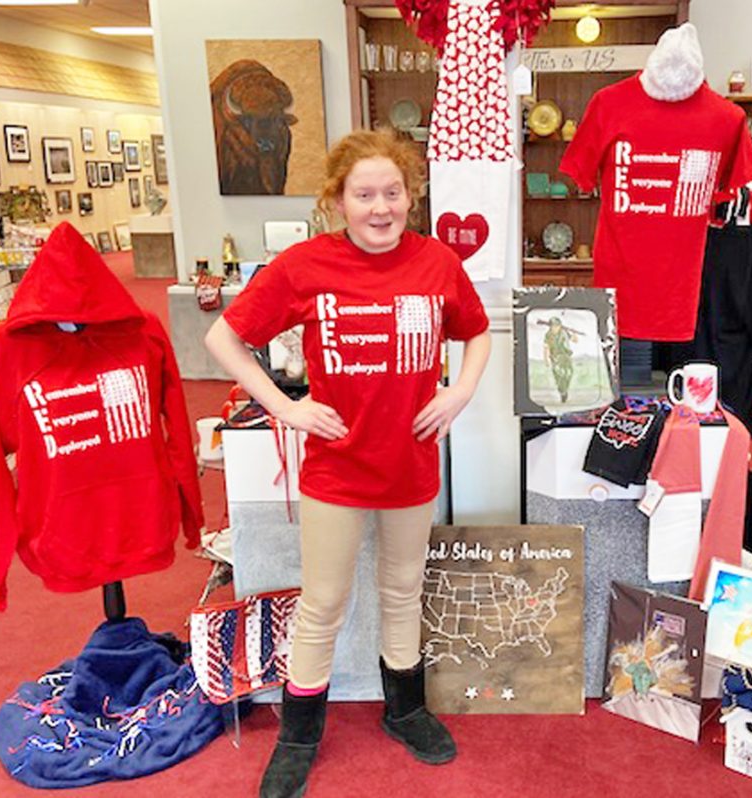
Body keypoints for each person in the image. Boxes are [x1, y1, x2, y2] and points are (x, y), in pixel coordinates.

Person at [205, 128, 491, 797]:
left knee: (403, 590)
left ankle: (405, 710)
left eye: (393, 192)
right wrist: (286, 407)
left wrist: (459, 392)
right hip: (336, 465)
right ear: (338, 200)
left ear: (410, 195)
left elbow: (476, 333)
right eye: (364, 195)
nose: (380, 207)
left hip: (410, 459)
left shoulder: (437, 262)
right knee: (324, 601)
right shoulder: (304, 265)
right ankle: (299, 735)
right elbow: (224, 336)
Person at [543, 316, 577, 403]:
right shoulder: (548, 335)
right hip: (556, 358)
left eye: (557, 325)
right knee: (559, 375)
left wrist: (573, 334)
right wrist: (546, 359)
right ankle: (562, 392)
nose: (555, 328)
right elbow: (546, 347)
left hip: (566, 356)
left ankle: (564, 390)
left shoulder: (564, 332)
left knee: (569, 373)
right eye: (553, 326)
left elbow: (575, 340)